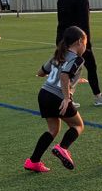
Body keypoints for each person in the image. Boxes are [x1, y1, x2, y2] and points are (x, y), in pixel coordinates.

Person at [24, 27, 87, 173]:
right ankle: (62, 147)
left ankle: (33, 161)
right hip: (57, 97)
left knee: (53, 129)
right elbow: (64, 76)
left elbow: (40, 73)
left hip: (44, 93)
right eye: (85, 43)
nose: (85, 47)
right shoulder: (78, 59)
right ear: (79, 42)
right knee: (78, 125)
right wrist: (66, 98)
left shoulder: (58, 56)